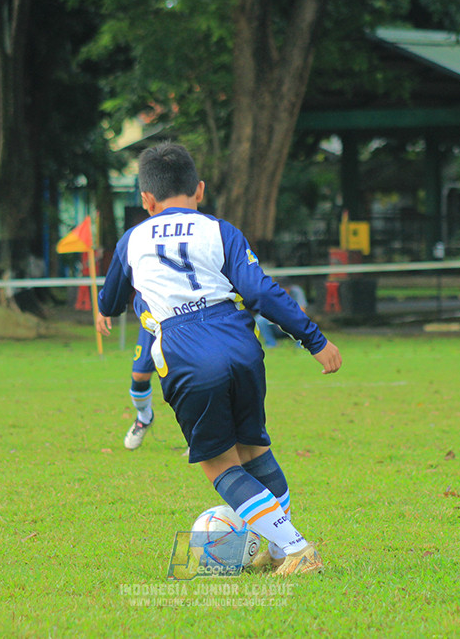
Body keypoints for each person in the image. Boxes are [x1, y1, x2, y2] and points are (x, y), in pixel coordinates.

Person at [96, 143, 342, 576]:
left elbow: (113, 300)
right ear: (200, 190)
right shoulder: (221, 230)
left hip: (184, 347)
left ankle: (298, 548)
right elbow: (262, 291)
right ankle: (282, 550)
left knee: (219, 462)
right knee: (253, 448)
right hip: (238, 338)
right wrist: (314, 340)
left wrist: (103, 307)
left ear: (146, 200)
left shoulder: (131, 240)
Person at [123, 295, 157, 450]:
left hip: (186, 311)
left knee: (185, 376)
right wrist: (105, 308)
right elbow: (122, 273)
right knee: (140, 375)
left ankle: (198, 436)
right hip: (152, 315)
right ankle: (144, 418)